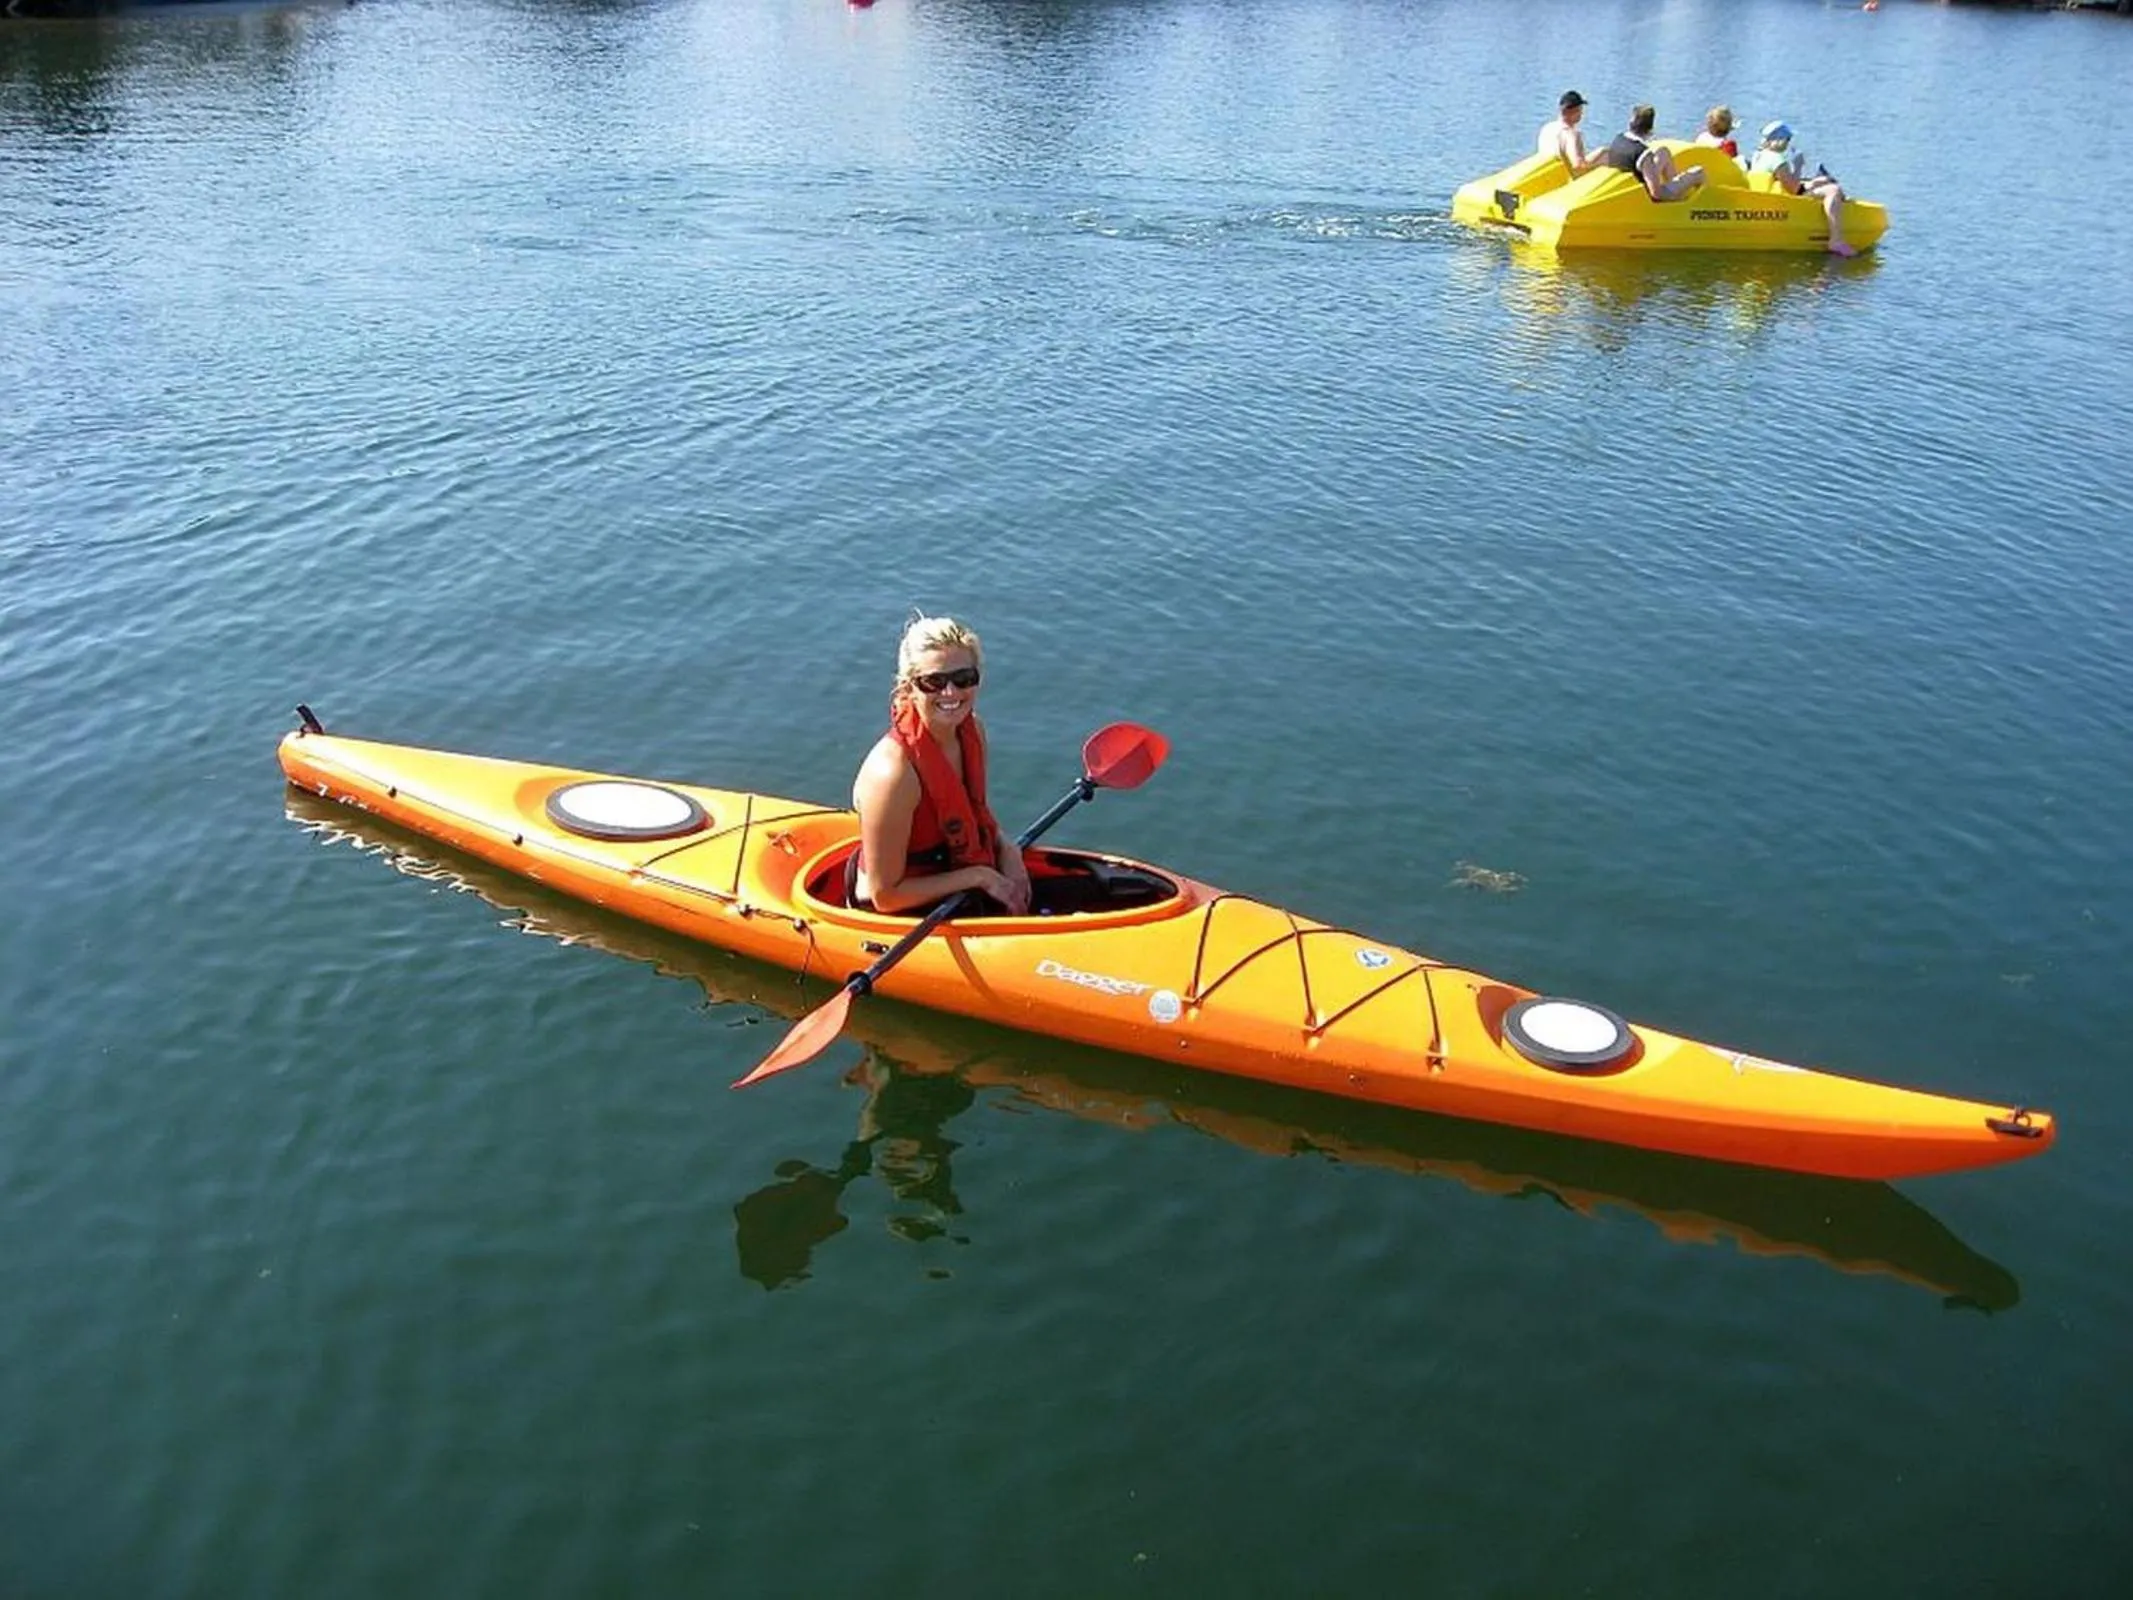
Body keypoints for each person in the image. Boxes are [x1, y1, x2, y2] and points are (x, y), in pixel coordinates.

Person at [849, 614, 1032, 916]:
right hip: (894, 909)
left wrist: (1006, 849)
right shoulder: (892, 774)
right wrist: (981, 877)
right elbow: (885, 896)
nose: (951, 693)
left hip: (955, 876)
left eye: (964, 678)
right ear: (908, 688)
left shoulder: (973, 731)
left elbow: (973, 812)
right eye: (933, 681)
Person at [1749, 120, 1857, 257]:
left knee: (1822, 181)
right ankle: (1836, 240)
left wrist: (1813, 182)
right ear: (1779, 140)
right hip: (1784, 200)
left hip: (1769, 196)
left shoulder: (1758, 156)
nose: (1788, 143)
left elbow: (1780, 182)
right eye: (1788, 139)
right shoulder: (1777, 160)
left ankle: (1837, 204)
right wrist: (1798, 165)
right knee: (1833, 190)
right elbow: (1793, 190)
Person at [1602, 104, 1707, 201]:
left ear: (1631, 123)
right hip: (1648, 196)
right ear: (1650, 129)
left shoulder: (1619, 139)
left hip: (1634, 179)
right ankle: (1685, 202)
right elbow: (1656, 193)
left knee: (1663, 152)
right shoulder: (1642, 153)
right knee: (1699, 172)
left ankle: (1676, 188)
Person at [1537, 90, 1604, 176]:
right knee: (1605, 156)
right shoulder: (1570, 134)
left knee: (1603, 151)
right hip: (1567, 178)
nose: (1581, 113)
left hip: (1549, 175)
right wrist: (1600, 166)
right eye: (1580, 110)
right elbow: (1578, 166)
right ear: (1573, 111)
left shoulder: (1547, 128)